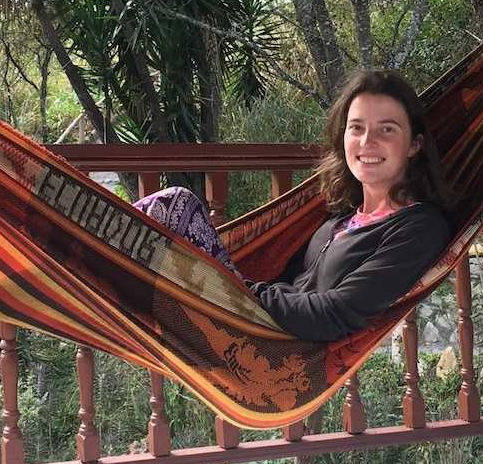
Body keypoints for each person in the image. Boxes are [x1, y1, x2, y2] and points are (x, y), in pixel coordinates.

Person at [133, 69, 451, 343]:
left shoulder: (419, 227)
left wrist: (237, 294)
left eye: (387, 129)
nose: (367, 141)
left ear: (414, 145)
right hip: (248, 316)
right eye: (356, 128)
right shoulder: (339, 218)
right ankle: (94, 278)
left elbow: (335, 312)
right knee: (156, 230)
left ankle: (90, 264)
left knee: (175, 203)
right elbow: (284, 280)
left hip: (272, 343)